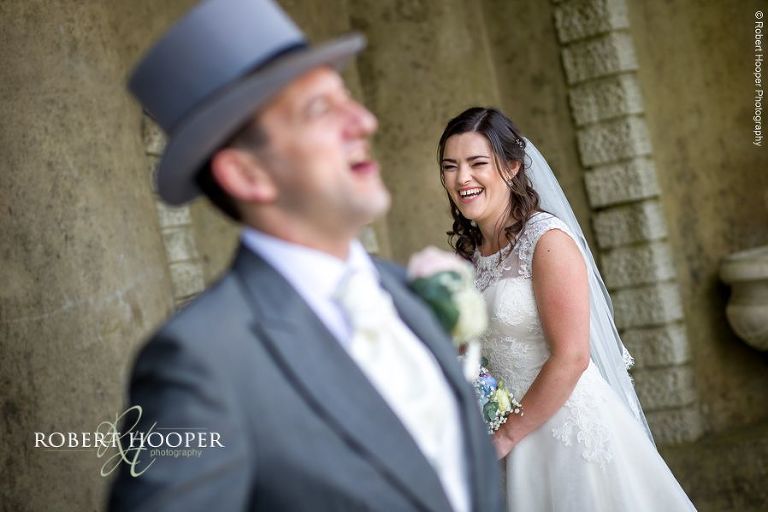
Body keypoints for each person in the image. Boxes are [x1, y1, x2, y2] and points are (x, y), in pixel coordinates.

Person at [108, 2, 502, 511]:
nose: (364, 121)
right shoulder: (202, 363)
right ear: (247, 174)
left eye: (347, 99)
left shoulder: (406, 293)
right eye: (319, 109)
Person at [438, 106, 696, 511]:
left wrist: (506, 436)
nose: (462, 178)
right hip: (506, 438)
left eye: (477, 163)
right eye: (450, 167)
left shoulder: (547, 241)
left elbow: (572, 356)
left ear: (511, 167)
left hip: (565, 432)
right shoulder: (469, 258)